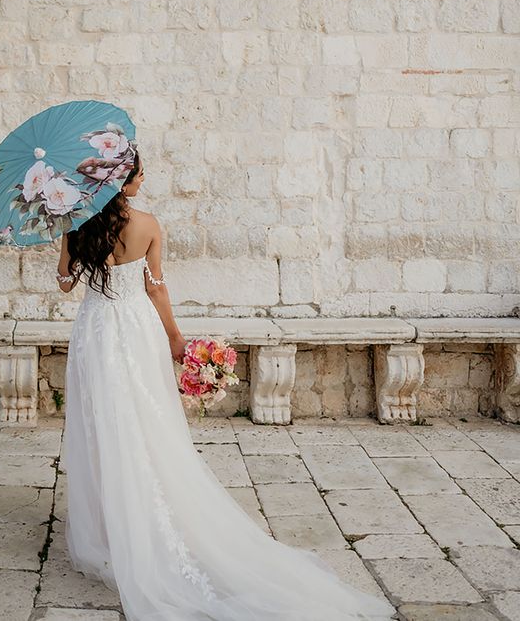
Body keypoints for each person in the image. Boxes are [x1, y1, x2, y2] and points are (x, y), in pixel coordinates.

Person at [55, 149, 397, 620]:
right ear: (123, 181)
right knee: (146, 423)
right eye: (137, 173)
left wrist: (67, 244)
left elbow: (65, 284)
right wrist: (176, 339)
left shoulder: (76, 227)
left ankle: (113, 525)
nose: (143, 178)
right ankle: (139, 516)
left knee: (103, 424)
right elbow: (156, 288)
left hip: (95, 333)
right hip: (136, 331)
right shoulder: (150, 225)